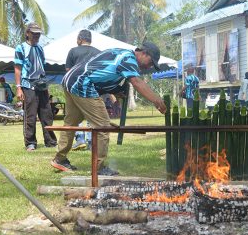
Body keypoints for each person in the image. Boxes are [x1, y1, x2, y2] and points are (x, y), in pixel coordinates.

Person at [51, 42, 167, 176]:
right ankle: (99, 168)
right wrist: (157, 100)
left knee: (72, 121)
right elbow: (137, 82)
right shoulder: (129, 59)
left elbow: (102, 71)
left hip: (70, 79)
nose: (149, 66)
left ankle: (60, 159)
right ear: (144, 53)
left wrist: (114, 89)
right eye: (151, 62)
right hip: (82, 83)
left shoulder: (120, 52)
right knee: (103, 126)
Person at [14, 22, 57, 151]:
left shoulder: (40, 48)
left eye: (38, 34)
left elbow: (42, 68)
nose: (36, 36)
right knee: (30, 115)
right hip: (28, 84)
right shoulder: (21, 48)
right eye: (34, 33)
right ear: (28, 33)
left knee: (46, 114)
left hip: (41, 84)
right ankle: (30, 143)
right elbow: (17, 68)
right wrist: (18, 87)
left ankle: (50, 141)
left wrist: (46, 86)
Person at [66, 30, 101, 151]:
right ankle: (92, 141)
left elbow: (69, 72)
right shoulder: (98, 52)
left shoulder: (73, 51)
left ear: (80, 39)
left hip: (76, 88)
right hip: (92, 88)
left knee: (76, 116)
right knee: (92, 116)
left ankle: (80, 139)